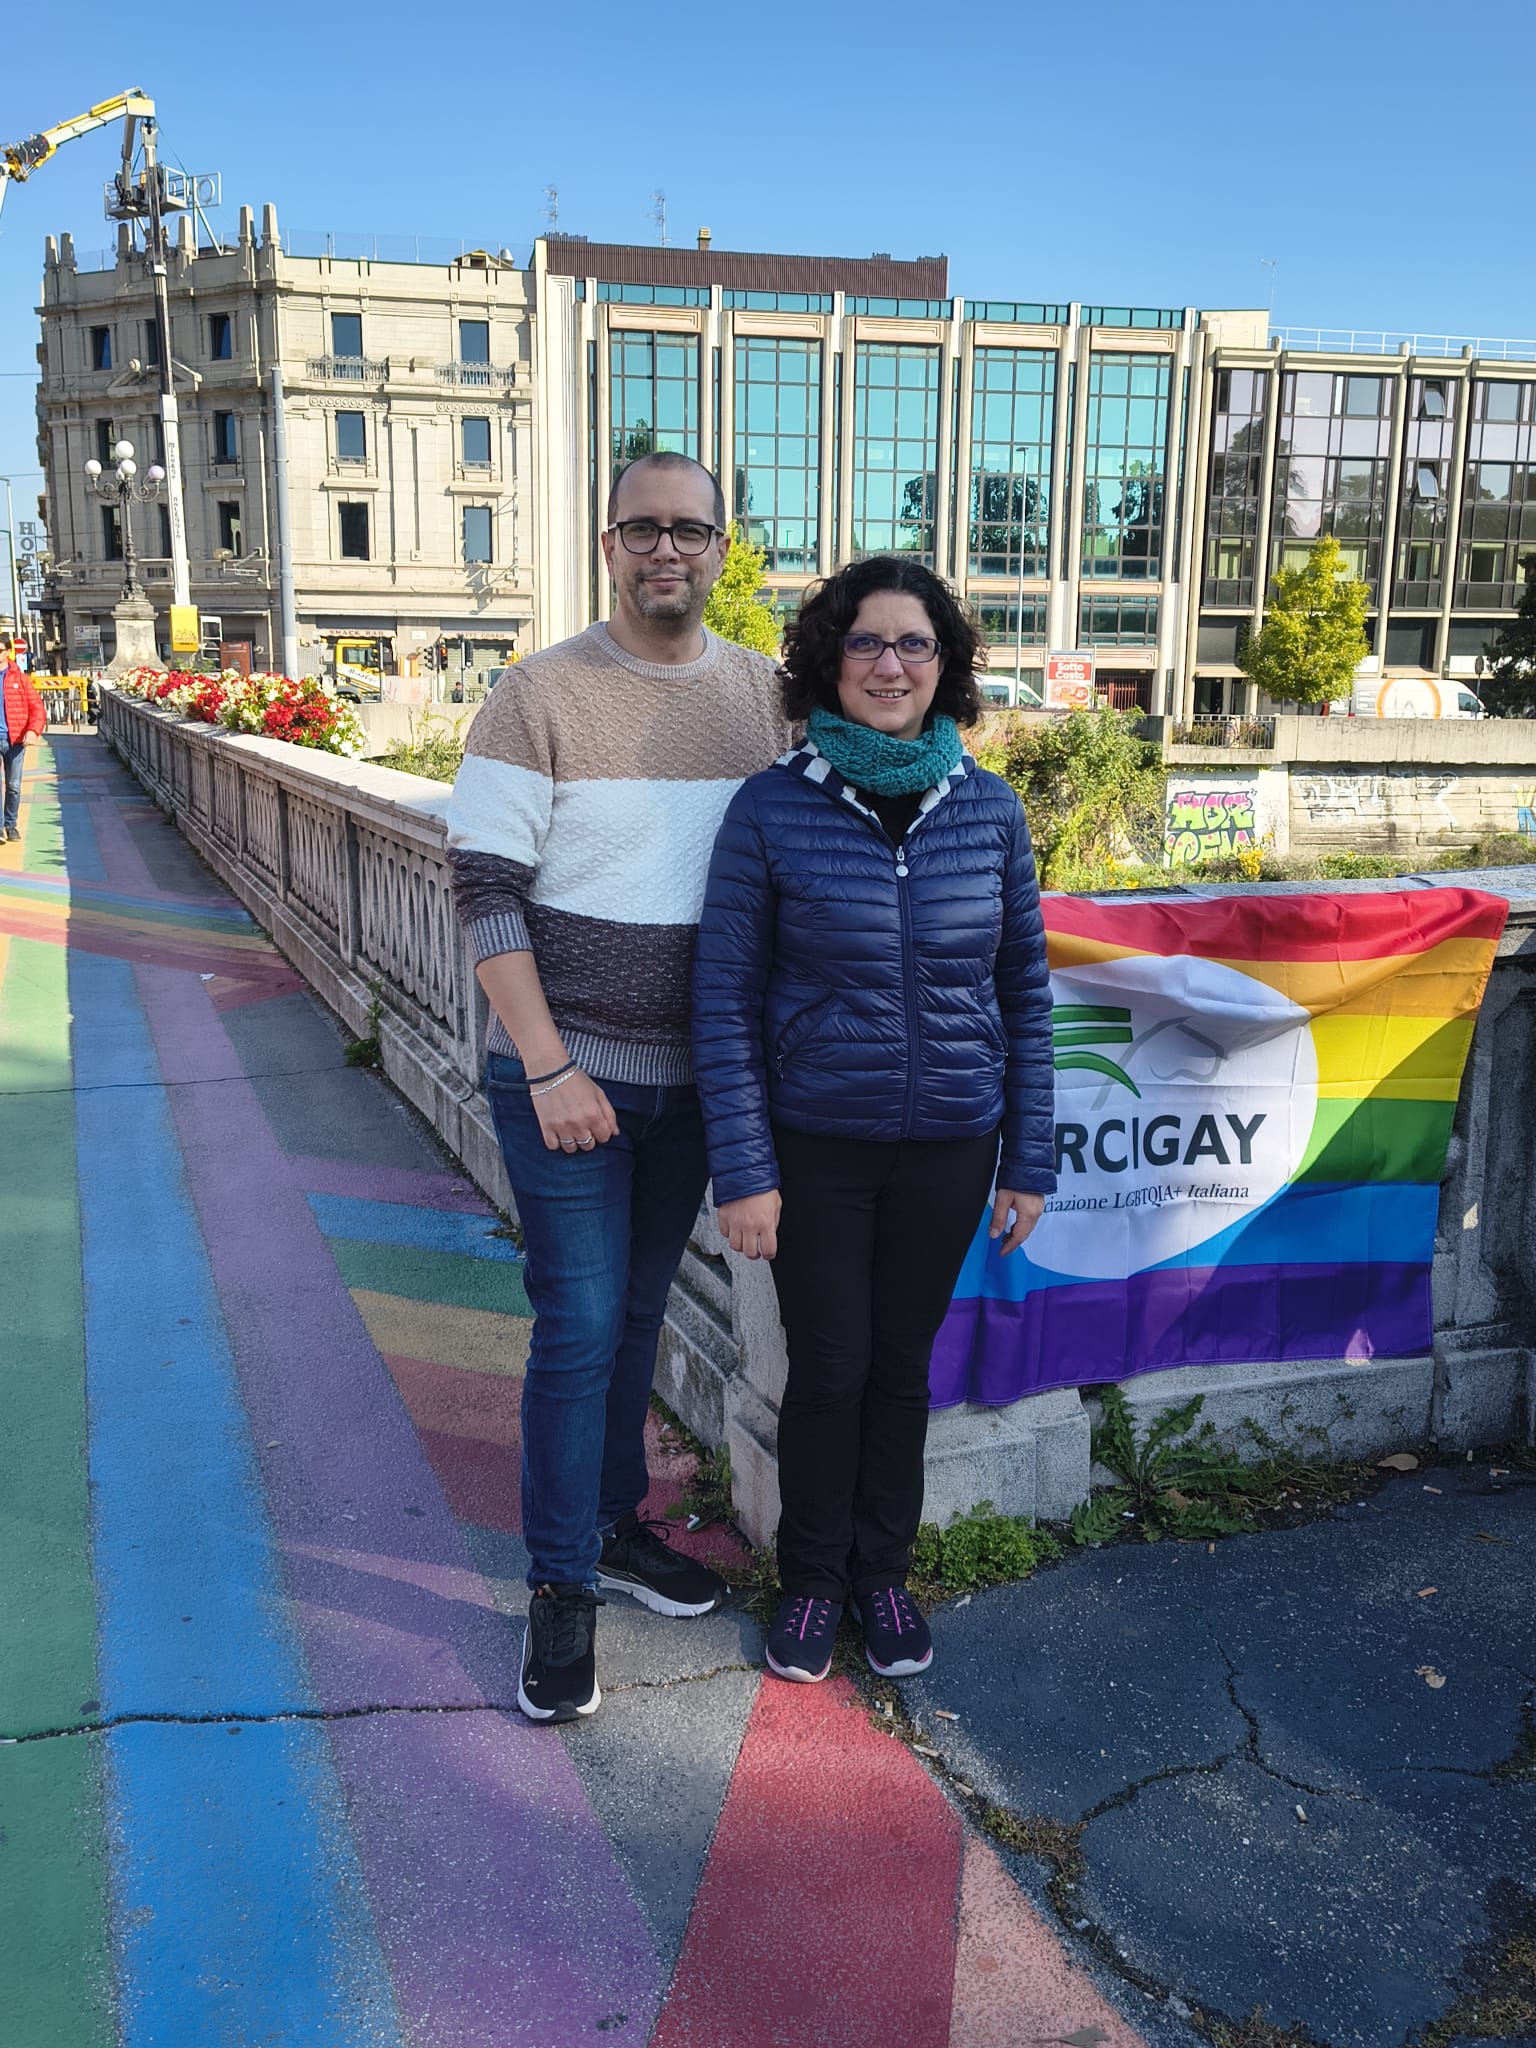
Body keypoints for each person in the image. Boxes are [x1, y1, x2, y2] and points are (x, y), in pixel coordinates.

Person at [445, 452, 785, 1723]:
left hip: (697, 1081)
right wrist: (548, 1061)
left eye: (689, 530)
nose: (666, 550)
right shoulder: (535, 694)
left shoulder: (765, 696)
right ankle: (559, 1583)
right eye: (642, 528)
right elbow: (485, 890)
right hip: (563, 1076)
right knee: (580, 1323)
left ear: (720, 547)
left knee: (637, 1314)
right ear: (608, 544)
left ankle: (611, 1522)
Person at [691, 557, 1056, 1684]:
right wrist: (744, 1169)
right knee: (830, 1366)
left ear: (946, 665)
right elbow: (724, 1000)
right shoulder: (771, 807)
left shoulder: (989, 810)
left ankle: (883, 1575)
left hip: (952, 1143)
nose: (889, 665)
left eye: (914, 643)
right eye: (866, 642)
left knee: (902, 1367)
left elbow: (1024, 994)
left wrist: (1029, 1156)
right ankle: (813, 1581)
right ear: (828, 661)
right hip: (817, 1148)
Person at [0, 637, 47, 843]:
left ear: (7, 652)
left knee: (13, 786)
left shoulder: (20, 678)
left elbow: (37, 708)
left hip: (16, 740)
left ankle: (10, 825)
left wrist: (33, 731)